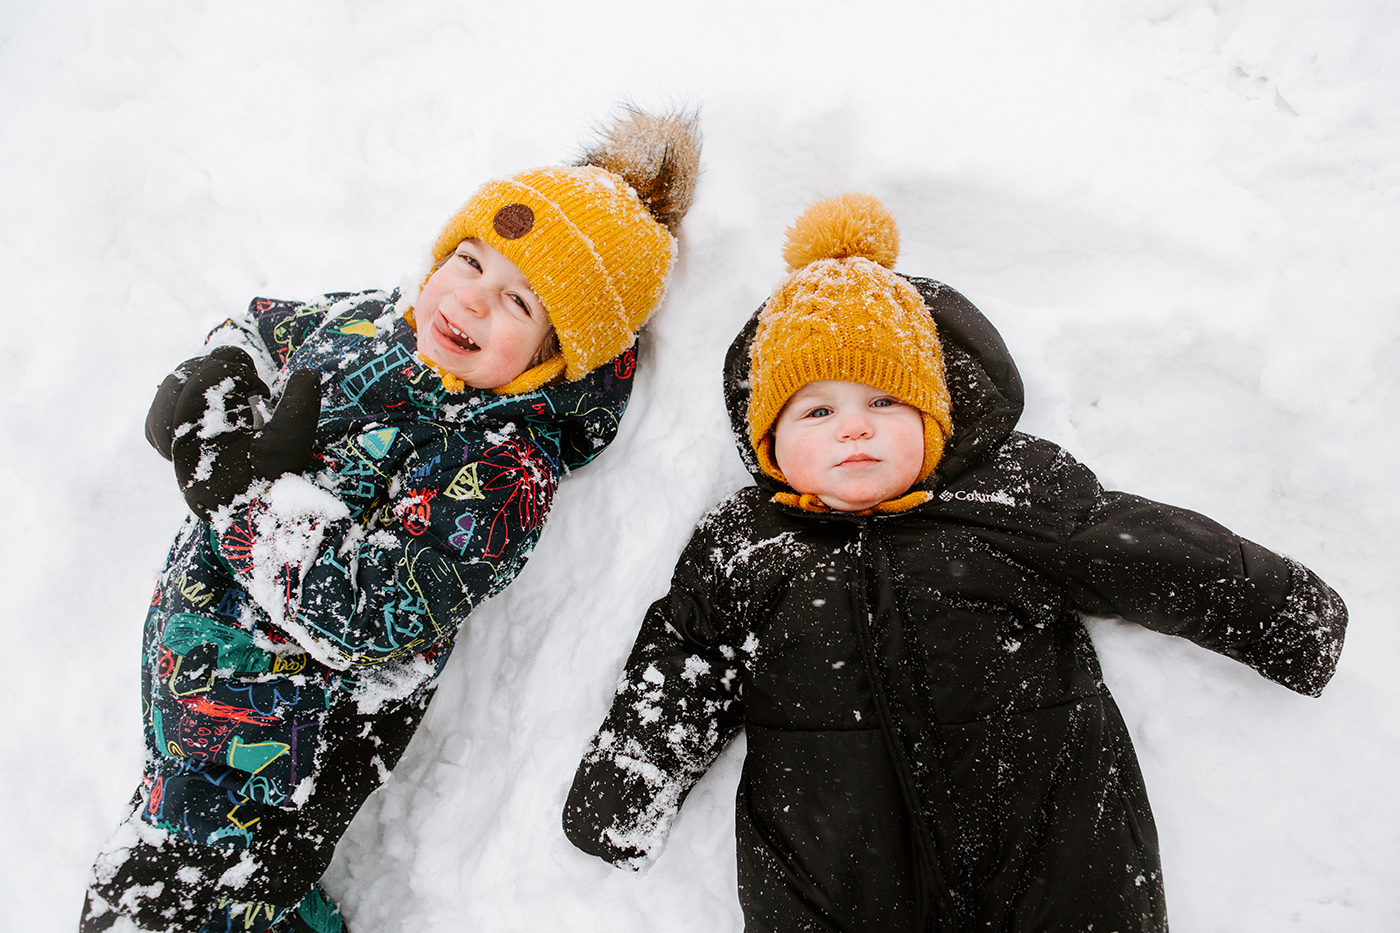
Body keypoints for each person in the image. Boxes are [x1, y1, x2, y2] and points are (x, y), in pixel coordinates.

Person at [562, 193, 1347, 931]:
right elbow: (691, 651)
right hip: (835, 868)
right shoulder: (746, 540)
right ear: (768, 439)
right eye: (817, 409)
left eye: (885, 401)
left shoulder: (1013, 494)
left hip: (1048, 847)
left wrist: (1279, 612)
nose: (853, 430)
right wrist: (629, 783)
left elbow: (1139, 547)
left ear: (935, 412)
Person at [80, 106, 701, 933]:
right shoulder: (376, 320)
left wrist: (240, 502)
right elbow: (266, 323)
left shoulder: (501, 465)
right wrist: (223, 370)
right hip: (197, 690)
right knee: (215, 880)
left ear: (560, 352)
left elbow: (377, 609)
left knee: (156, 901)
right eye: (470, 260)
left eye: (516, 300)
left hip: (286, 738)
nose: (469, 301)